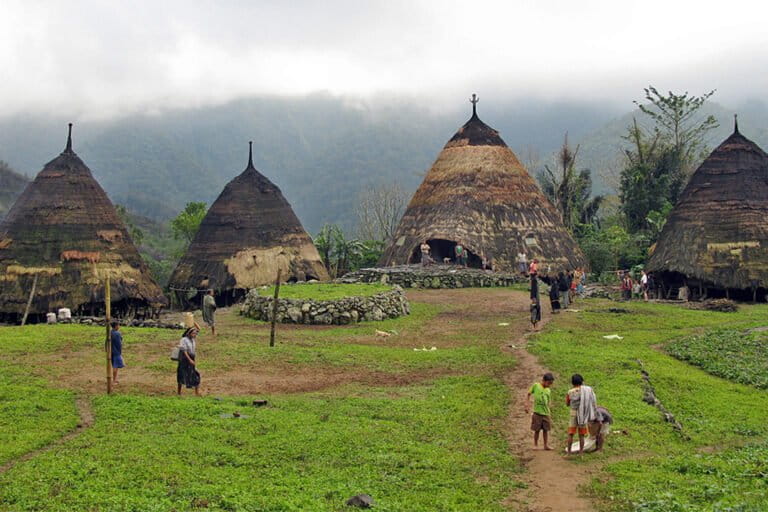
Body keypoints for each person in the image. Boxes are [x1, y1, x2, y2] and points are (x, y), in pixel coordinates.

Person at [566, 374, 597, 455]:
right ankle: (581, 453)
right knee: (581, 435)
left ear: (572, 383)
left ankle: (568, 453)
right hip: (583, 415)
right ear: (582, 381)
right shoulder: (587, 390)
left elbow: (567, 403)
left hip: (573, 414)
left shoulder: (570, 392)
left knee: (571, 433)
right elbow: (592, 400)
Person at [525, 373, 555, 450]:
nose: (549, 385)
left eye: (551, 384)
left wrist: (549, 411)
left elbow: (548, 401)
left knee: (546, 430)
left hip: (546, 413)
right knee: (537, 430)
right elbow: (528, 394)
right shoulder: (536, 386)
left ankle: (546, 445)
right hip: (537, 413)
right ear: (544, 380)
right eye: (549, 383)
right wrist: (526, 404)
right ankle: (535, 444)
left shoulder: (548, 390)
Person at [177, 326, 201, 396]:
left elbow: (199, 329)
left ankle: (197, 393)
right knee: (181, 374)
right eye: (193, 333)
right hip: (184, 359)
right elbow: (184, 351)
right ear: (189, 333)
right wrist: (189, 360)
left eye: (195, 333)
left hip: (192, 358)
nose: (195, 335)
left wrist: (193, 322)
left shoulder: (192, 339)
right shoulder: (184, 340)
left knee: (195, 374)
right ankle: (179, 392)